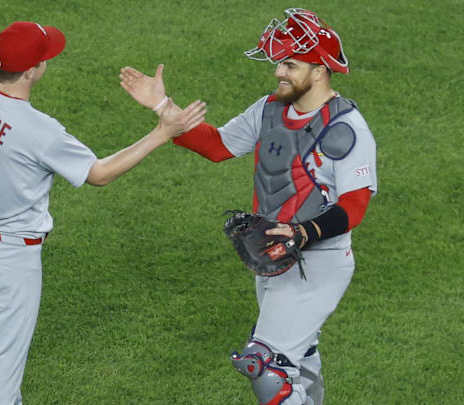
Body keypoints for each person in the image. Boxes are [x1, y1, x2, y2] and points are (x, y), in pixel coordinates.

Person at [0, 21, 206, 405]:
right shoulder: (40, 130)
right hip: (9, 261)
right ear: (34, 70)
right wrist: (161, 133)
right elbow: (99, 174)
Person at [119, 8, 377, 405]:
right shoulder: (270, 109)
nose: (279, 72)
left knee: (268, 368)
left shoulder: (346, 127)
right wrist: (162, 109)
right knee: (299, 355)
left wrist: (304, 232)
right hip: (273, 256)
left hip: (319, 262)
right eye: (279, 62)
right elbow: (218, 146)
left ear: (320, 69)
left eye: (290, 64)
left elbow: (355, 205)